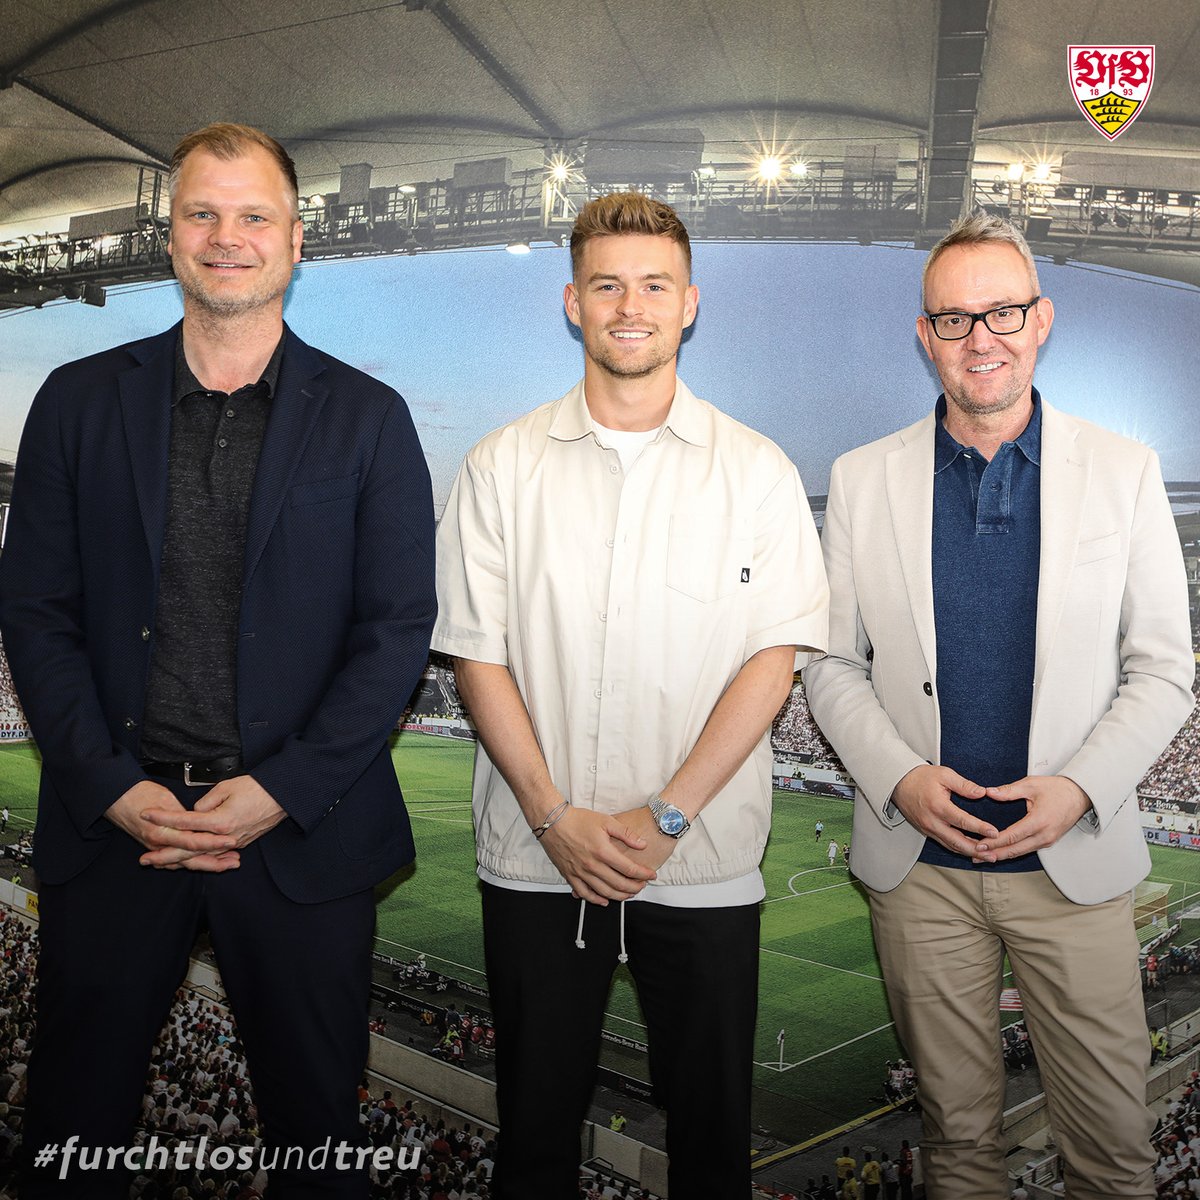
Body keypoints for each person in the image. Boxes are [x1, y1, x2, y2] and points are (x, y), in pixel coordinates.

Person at [0, 122, 437, 1198]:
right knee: (72, 1136)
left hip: (299, 847)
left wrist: (279, 791)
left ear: (295, 241)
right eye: (203, 213)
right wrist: (111, 788)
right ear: (171, 236)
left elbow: (395, 633)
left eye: (252, 217)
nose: (226, 236)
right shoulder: (77, 403)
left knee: (314, 1145)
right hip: (117, 841)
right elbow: (36, 612)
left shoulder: (372, 420)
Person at [432, 191, 827, 1199]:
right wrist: (554, 816)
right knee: (531, 1143)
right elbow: (480, 658)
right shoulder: (499, 466)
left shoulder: (759, 472)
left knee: (710, 1149)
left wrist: (666, 815)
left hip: (699, 865)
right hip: (535, 861)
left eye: (653, 285)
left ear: (689, 304)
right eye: (607, 285)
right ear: (573, 303)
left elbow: (771, 663)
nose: (630, 306)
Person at [805, 212, 1195, 1199]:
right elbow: (829, 665)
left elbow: (1163, 670)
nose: (982, 337)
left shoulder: (1125, 469)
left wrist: (1078, 788)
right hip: (920, 875)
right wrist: (897, 775)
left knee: (1111, 1153)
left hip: (1072, 868)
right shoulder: (859, 479)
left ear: (1043, 319)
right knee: (959, 1144)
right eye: (954, 318)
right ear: (925, 334)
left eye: (1004, 312)